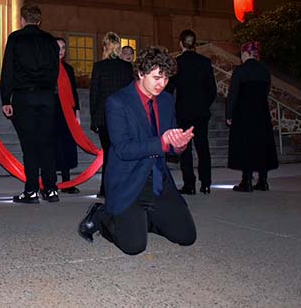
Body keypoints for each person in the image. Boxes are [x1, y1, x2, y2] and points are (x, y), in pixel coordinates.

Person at [77, 46, 197, 255]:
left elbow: (171, 145)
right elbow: (123, 149)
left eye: (167, 78)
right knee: (134, 247)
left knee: (187, 236)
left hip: (159, 181)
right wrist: (162, 142)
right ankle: (101, 215)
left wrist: (179, 145)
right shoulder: (117, 102)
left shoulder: (167, 100)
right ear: (141, 73)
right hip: (129, 181)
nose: (163, 84)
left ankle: (141, 220)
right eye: (157, 77)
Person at [0, 3, 60, 204]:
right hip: (46, 95)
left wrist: (5, 98)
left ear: (22, 19)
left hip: (24, 96)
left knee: (30, 144)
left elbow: (8, 69)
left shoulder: (16, 38)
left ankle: (32, 190)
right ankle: (51, 189)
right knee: (47, 143)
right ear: (39, 20)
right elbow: (55, 69)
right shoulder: (50, 40)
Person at [167, 30, 217, 195]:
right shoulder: (204, 62)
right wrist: (204, 104)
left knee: (185, 149)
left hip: (184, 111)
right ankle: (206, 183)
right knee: (203, 147)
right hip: (201, 111)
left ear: (180, 43)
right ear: (194, 43)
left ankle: (189, 184)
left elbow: (169, 90)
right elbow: (212, 90)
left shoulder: (177, 63)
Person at [226, 41, 278, 192]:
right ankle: (263, 180)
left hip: (244, 114)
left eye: (242, 54)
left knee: (246, 145)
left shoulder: (240, 71)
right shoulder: (264, 70)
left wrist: (229, 113)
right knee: (262, 145)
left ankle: (246, 181)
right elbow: (266, 90)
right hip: (261, 113)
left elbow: (233, 94)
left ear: (245, 53)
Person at [90, 32, 134, 197]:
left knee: (108, 153)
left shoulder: (99, 67)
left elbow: (94, 94)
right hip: (122, 116)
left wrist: (94, 118)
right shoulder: (126, 67)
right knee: (121, 152)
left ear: (105, 47)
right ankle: (122, 186)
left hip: (104, 116)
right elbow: (130, 95)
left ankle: (105, 189)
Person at [54, 37, 80, 194]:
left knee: (67, 145)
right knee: (53, 146)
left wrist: (77, 110)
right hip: (52, 110)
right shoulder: (47, 68)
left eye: (63, 47)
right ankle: (50, 183)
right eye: (58, 47)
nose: (61, 51)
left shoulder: (68, 69)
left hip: (67, 111)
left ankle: (67, 181)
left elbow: (74, 91)